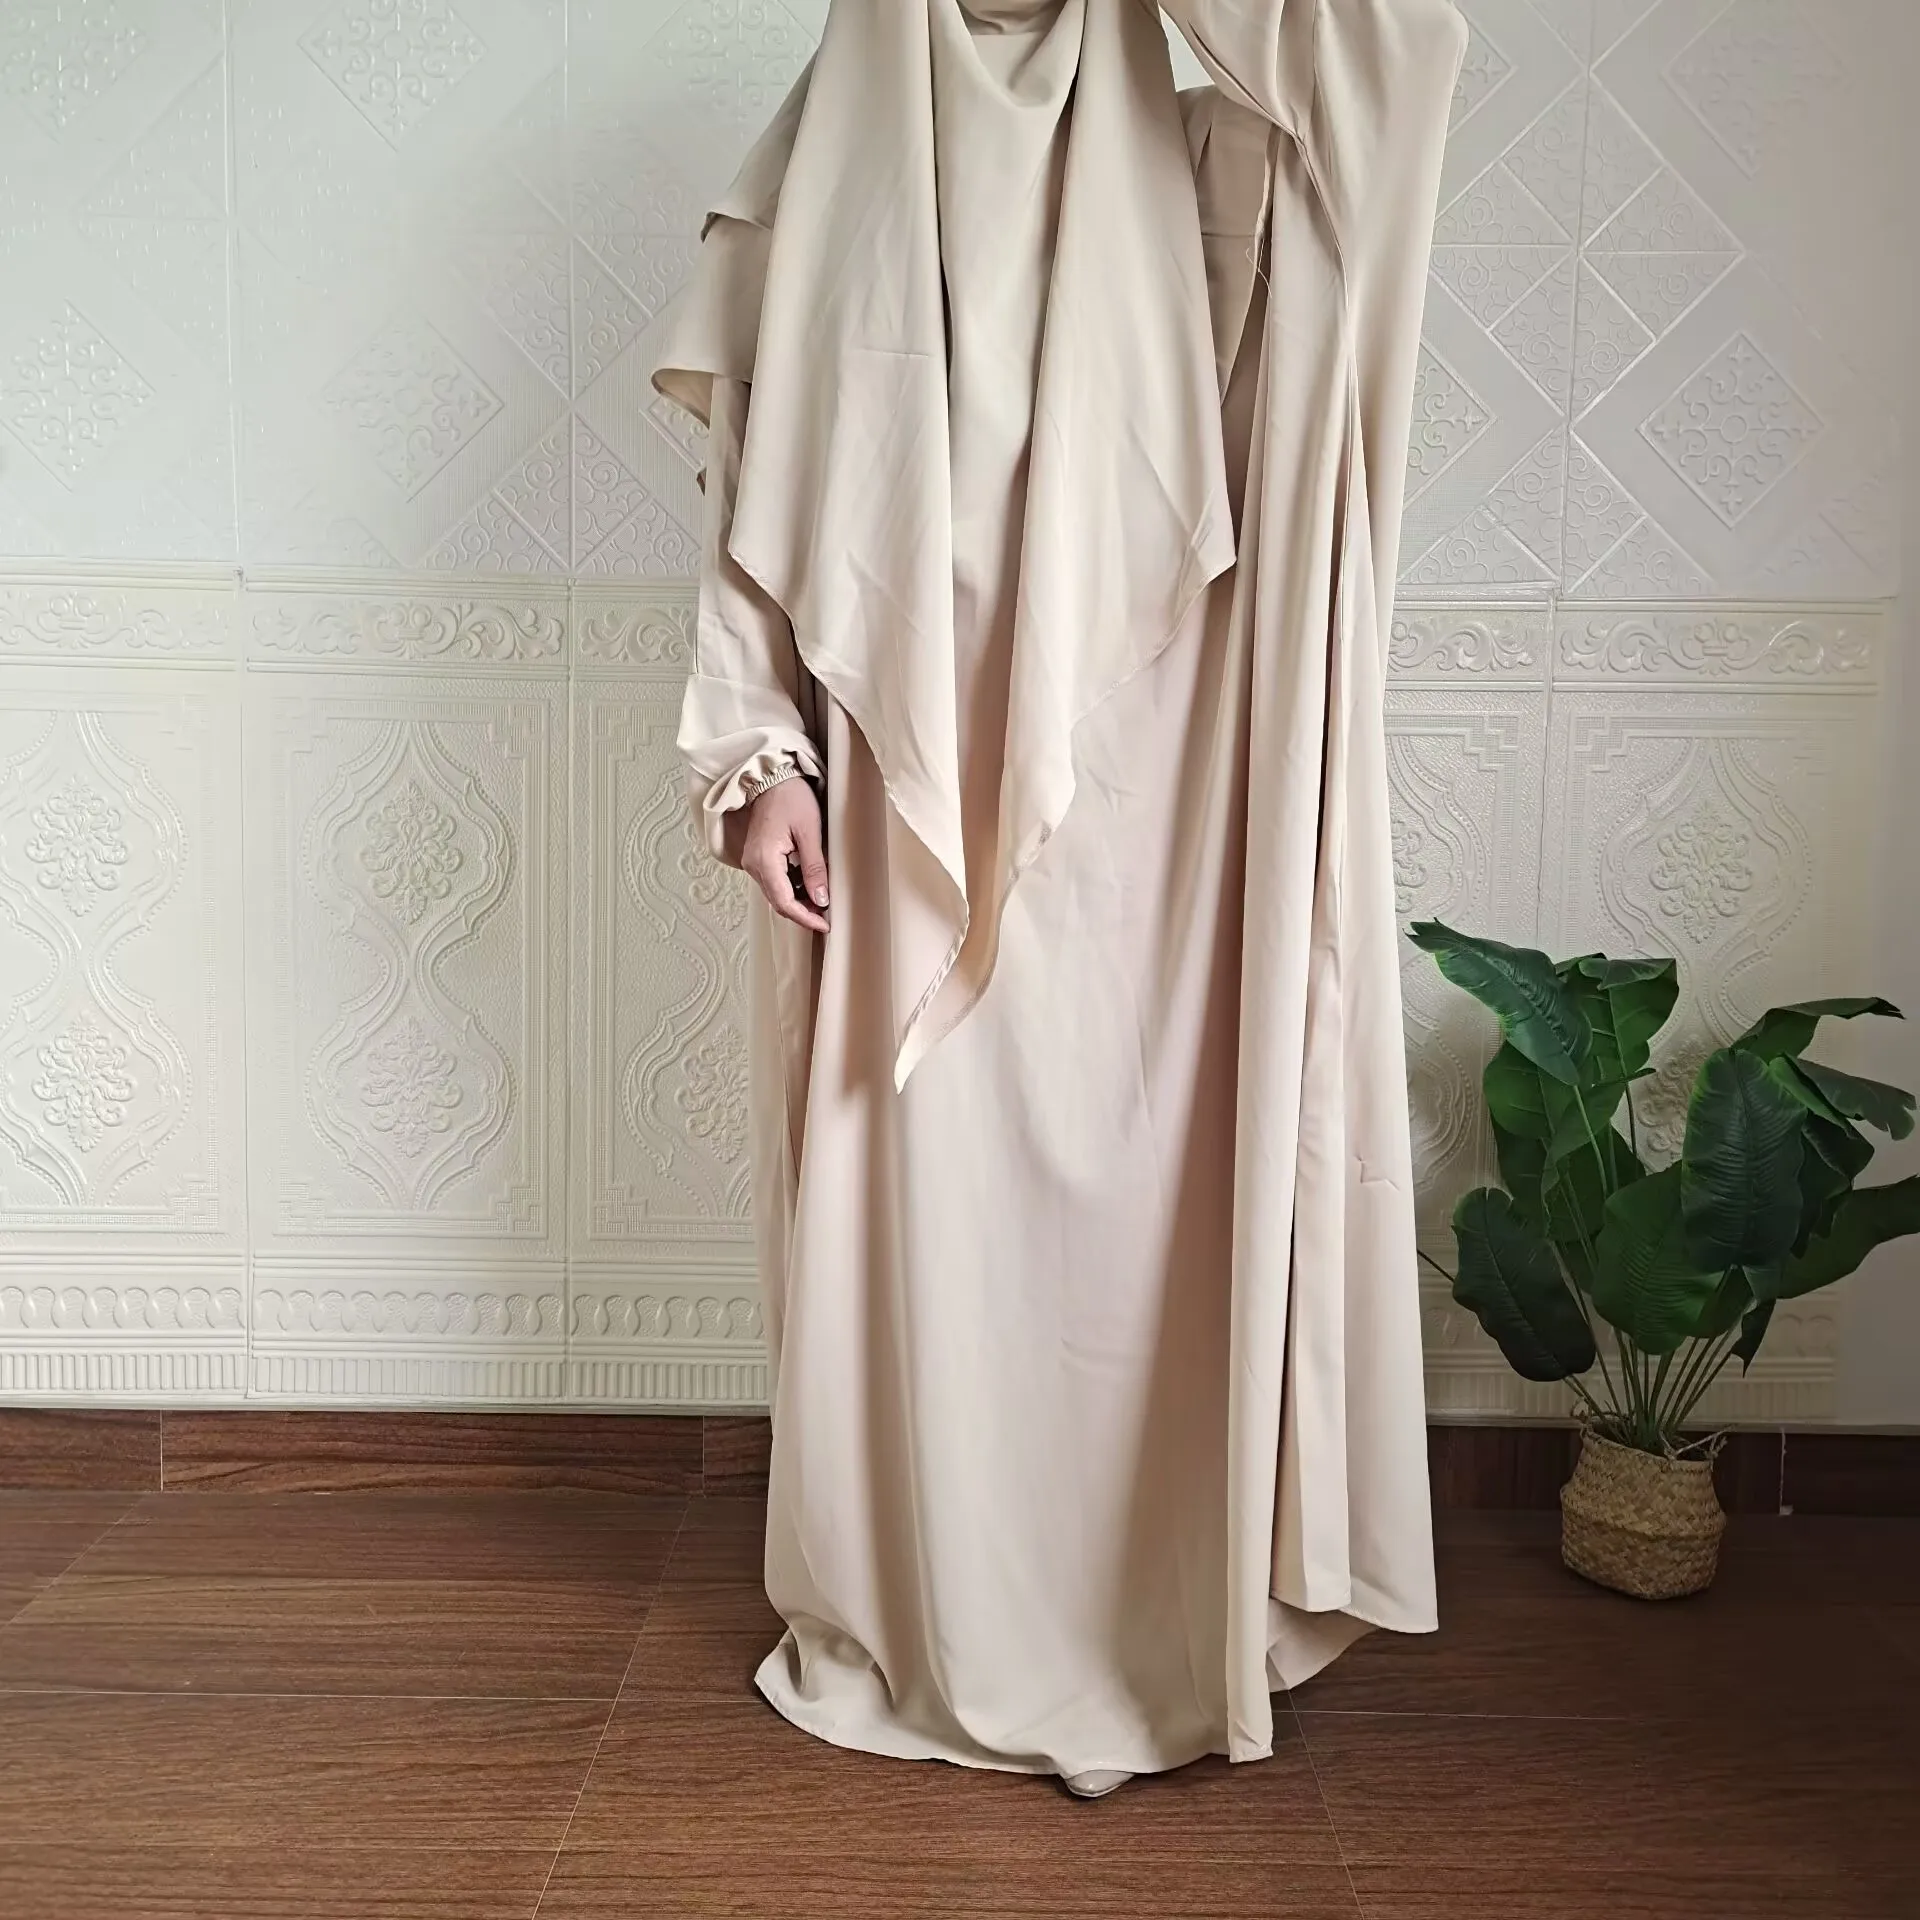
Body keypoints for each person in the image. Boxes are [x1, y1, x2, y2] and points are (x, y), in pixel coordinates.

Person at [651, 0, 1466, 1796]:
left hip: (1175, 810)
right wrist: (759, 758)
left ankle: (1154, 1623)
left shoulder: (1212, 143)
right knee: (924, 1219)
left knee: (1154, 1218)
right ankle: (939, 1617)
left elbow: (1394, 71)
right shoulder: (828, 148)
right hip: (905, 795)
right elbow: (750, 499)